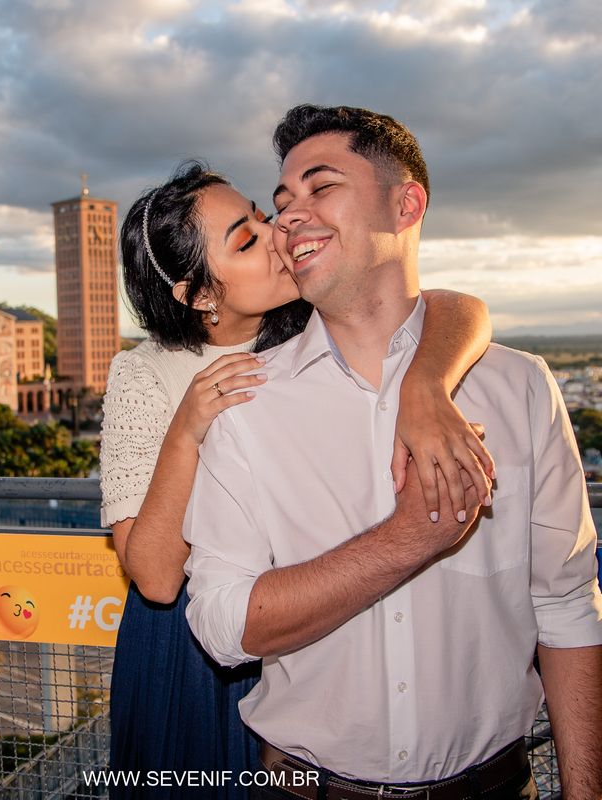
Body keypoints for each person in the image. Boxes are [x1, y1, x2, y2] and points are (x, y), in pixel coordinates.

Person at [184, 106, 602, 800]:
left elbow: (565, 605)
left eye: (322, 188)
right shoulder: (245, 408)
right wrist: (408, 540)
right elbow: (223, 625)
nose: (289, 217)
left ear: (405, 204)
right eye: (283, 202)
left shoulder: (520, 386)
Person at [100, 160, 496, 798]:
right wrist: (187, 428)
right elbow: (154, 575)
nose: (277, 229)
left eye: (261, 214)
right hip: (191, 659)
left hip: (314, 617)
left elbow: (455, 307)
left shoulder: (313, 324)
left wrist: (428, 384)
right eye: (247, 238)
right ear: (200, 294)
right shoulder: (145, 374)